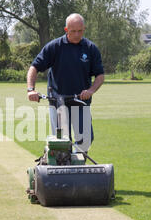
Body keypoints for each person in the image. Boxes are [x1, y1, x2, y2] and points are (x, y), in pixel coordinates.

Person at [27, 13, 104, 153]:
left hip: (81, 101)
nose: (77, 34)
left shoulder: (90, 48)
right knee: (62, 142)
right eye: (73, 31)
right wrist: (31, 89)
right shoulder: (55, 47)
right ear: (66, 30)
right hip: (58, 101)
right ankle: (63, 168)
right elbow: (34, 67)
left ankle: (77, 165)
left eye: (80, 31)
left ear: (84, 29)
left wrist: (91, 91)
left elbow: (100, 75)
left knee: (86, 139)